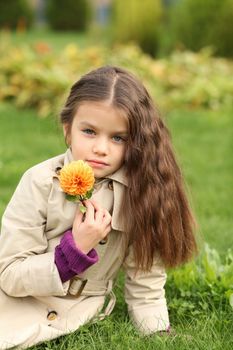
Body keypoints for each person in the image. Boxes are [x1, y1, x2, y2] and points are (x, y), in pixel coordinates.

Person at [0, 66, 197, 349]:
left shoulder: (144, 191)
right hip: (16, 301)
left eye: (118, 137)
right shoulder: (39, 182)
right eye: (89, 131)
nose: (101, 148)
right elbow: (8, 275)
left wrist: (156, 333)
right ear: (68, 130)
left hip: (79, 310)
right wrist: (74, 250)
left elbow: (146, 281)